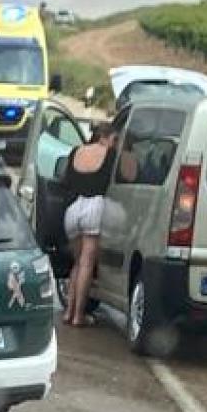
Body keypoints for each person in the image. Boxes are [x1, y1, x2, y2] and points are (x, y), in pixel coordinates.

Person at [62, 122, 117, 327]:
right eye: (114, 139)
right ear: (103, 137)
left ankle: (68, 312)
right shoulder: (110, 155)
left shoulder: (76, 151)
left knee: (76, 264)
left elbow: (65, 180)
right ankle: (79, 316)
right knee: (87, 263)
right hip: (95, 206)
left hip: (72, 208)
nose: (115, 144)